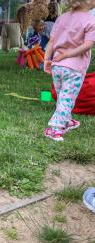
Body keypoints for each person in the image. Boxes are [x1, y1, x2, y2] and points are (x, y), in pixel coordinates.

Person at [43, 0, 95, 141]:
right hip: (74, 68)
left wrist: (46, 59)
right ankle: (55, 129)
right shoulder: (91, 20)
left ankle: (67, 120)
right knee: (67, 98)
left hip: (57, 66)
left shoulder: (62, 18)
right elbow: (88, 45)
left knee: (63, 97)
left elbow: (51, 42)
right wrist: (68, 54)